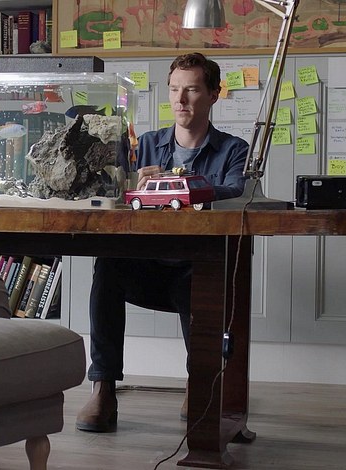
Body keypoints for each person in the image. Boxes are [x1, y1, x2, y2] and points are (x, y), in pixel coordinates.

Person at [75, 52, 249, 433]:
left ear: (214, 95)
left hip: (195, 270)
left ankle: (198, 382)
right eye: (174, 90)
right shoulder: (146, 145)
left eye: (192, 90)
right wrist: (129, 184)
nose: (180, 100)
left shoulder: (234, 149)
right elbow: (111, 193)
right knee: (108, 265)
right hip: (149, 267)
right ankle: (103, 387)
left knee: (199, 277)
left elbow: (237, 191)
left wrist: (184, 188)